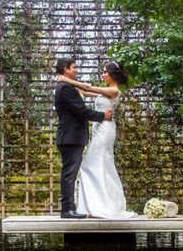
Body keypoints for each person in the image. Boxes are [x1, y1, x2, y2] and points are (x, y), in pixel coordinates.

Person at [57, 61, 136, 219]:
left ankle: (102, 204)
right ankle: (96, 204)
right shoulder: (105, 92)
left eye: (106, 72)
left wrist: (65, 80)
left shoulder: (113, 91)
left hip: (105, 130)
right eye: (103, 72)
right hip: (100, 129)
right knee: (97, 165)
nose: (103, 74)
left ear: (113, 74)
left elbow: (88, 88)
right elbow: (85, 93)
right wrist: (67, 85)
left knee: (92, 165)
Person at [54, 58, 112, 219]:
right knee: (69, 174)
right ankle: (67, 209)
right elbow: (82, 111)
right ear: (65, 70)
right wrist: (103, 116)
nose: (77, 70)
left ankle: (70, 208)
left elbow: (86, 94)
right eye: (74, 67)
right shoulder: (65, 88)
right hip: (70, 138)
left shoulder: (67, 86)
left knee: (70, 173)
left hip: (71, 137)